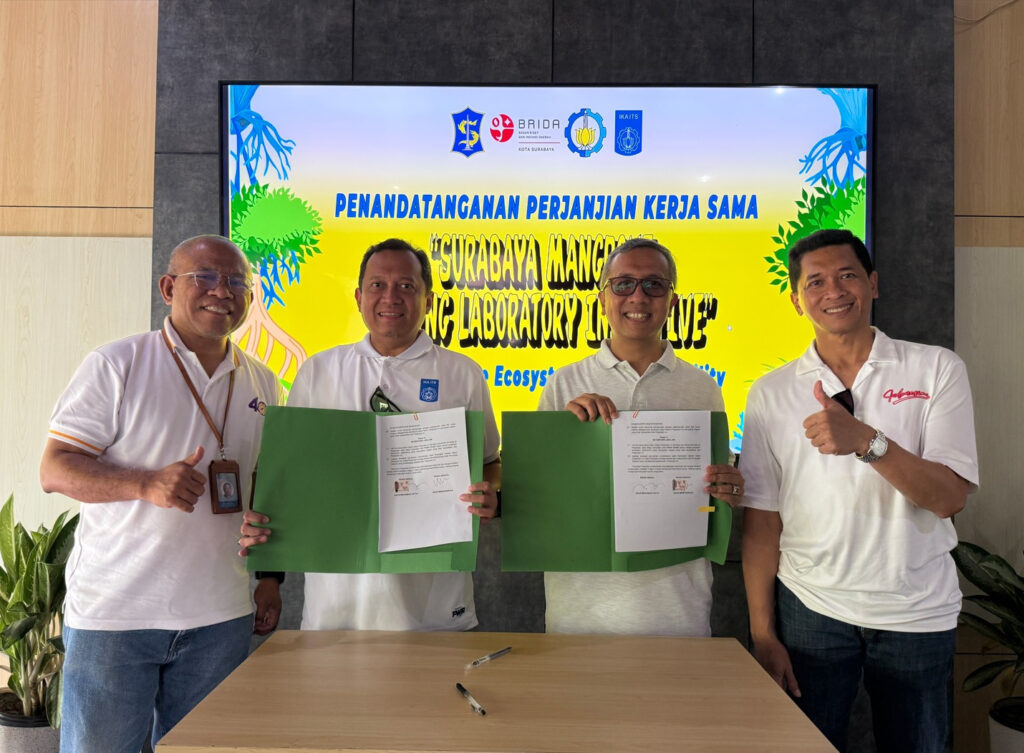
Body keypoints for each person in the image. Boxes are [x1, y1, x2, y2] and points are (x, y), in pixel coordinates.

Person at [39, 235, 284, 753]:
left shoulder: (263, 382)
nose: (223, 291)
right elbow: (55, 469)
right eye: (205, 277)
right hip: (116, 616)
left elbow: (266, 488)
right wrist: (145, 484)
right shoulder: (118, 363)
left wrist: (268, 577)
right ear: (169, 288)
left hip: (221, 616)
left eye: (236, 281)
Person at [739, 229, 978, 753]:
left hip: (916, 608)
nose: (833, 290)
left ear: (873, 284)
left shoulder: (936, 368)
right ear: (796, 300)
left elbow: (949, 498)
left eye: (847, 275)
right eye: (815, 282)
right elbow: (761, 523)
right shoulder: (770, 392)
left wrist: (868, 442)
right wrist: (763, 634)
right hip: (811, 608)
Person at [239, 238, 499, 631]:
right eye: (377, 285)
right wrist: (269, 578)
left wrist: (490, 494)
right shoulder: (319, 371)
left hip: (432, 603)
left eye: (406, 286)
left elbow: (490, 463)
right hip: (335, 605)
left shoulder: (463, 373)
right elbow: (288, 480)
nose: (390, 297)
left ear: (428, 300)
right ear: (359, 297)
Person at [537, 237, 745, 635]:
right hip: (579, 615)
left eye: (654, 284)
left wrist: (728, 489)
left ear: (672, 301)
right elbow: (536, 497)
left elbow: (716, 497)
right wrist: (563, 437)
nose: (638, 296)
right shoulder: (563, 385)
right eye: (623, 284)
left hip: (678, 612)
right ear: (602, 299)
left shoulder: (702, 388)